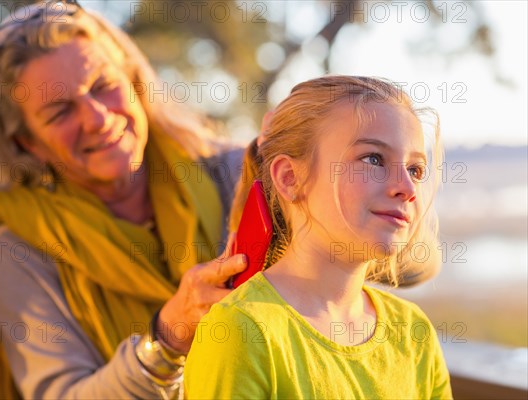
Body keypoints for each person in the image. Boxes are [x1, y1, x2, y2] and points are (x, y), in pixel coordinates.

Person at [0, 1, 248, 398]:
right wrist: (168, 339)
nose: (97, 118)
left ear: (134, 81)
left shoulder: (235, 174)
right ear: (28, 144)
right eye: (60, 112)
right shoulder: (18, 248)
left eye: (104, 86)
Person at [185, 75, 453, 399]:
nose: (408, 189)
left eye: (415, 170)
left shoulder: (413, 331)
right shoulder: (241, 330)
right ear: (290, 178)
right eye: (373, 158)